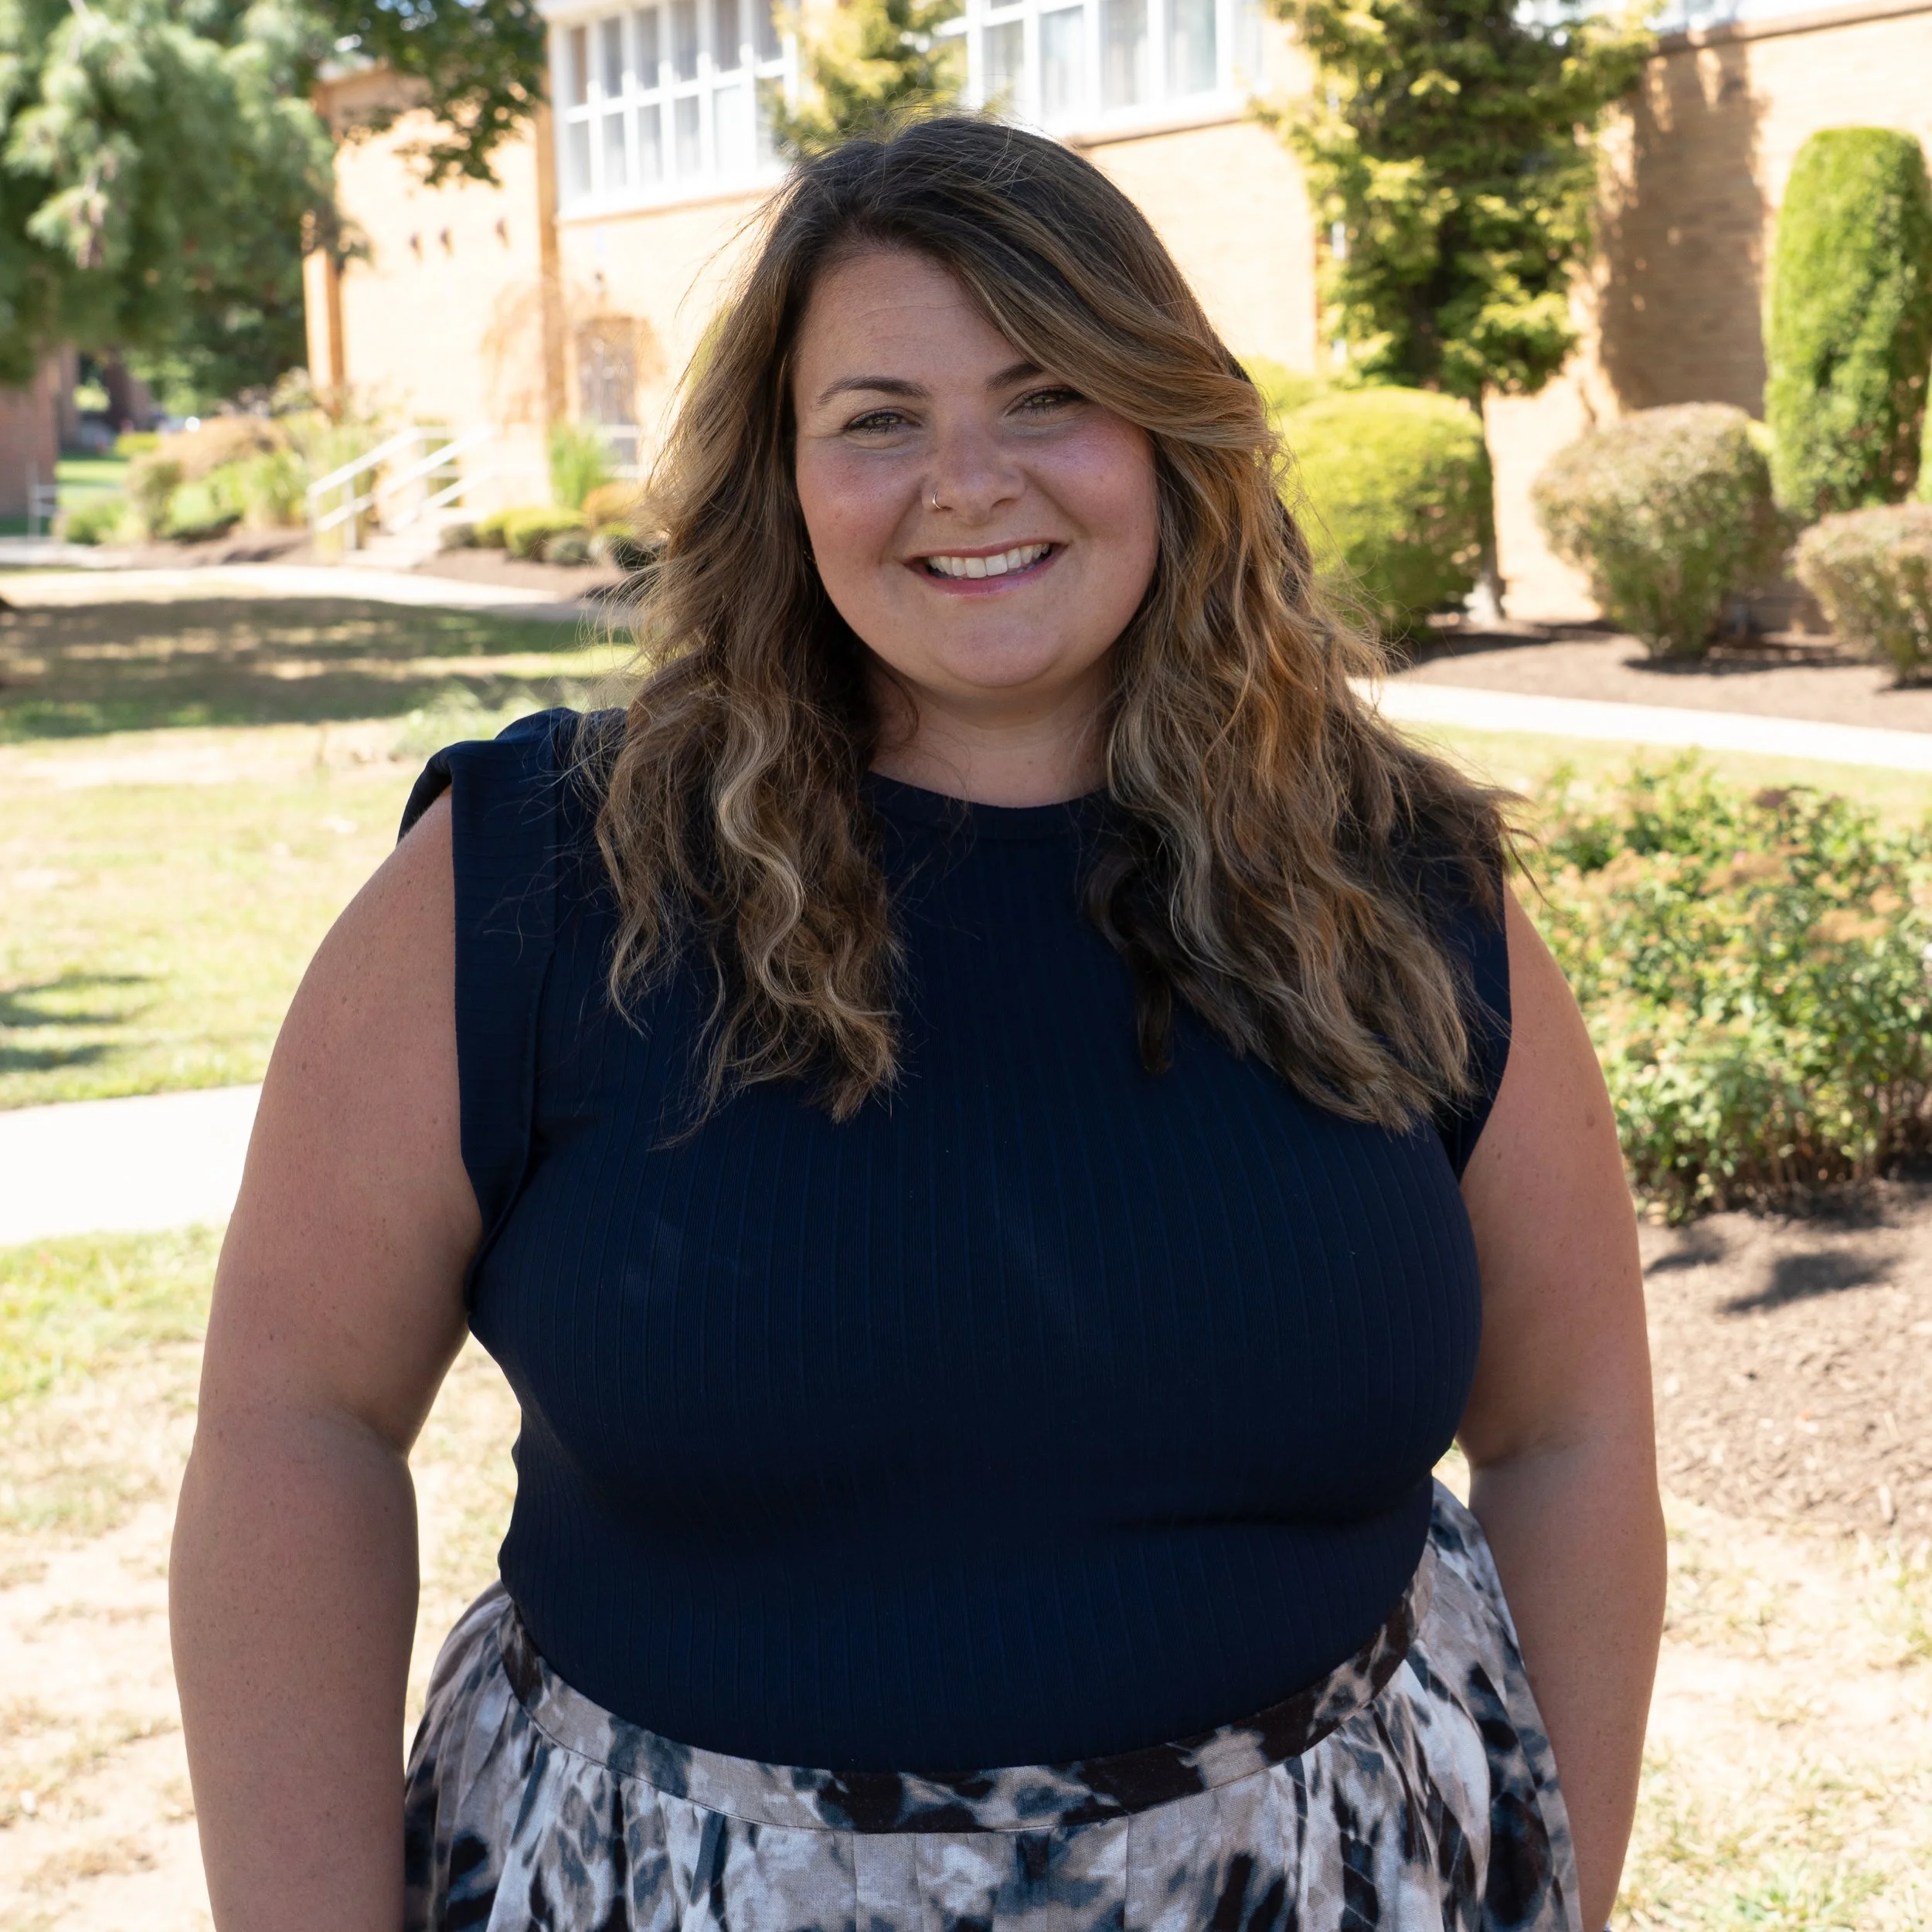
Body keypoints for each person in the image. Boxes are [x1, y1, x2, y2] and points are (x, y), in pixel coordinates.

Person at [171, 117, 1664, 1932]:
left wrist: (1547, 1878)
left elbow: (1570, 1428)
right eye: (877, 417)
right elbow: (294, 1417)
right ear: (779, 474)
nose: (966, 479)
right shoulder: (537, 884)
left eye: (1046, 394)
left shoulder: (1396, 878)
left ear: (1167, 434)